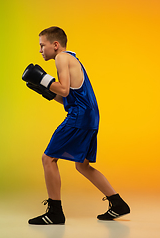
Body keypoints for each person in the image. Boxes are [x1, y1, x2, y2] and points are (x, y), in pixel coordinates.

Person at [22, 26, 130, 225]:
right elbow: (67, 98)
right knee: (82, 166)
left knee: (48, 159)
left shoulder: (62, 58)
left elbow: (62, 90)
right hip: (90, 117)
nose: (40, 50)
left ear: (55, 45)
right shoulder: (73, 59)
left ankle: (55, 213)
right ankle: (118, 204)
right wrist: (43, 90)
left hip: (79, 117)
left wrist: (43, 79)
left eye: (42, 45)